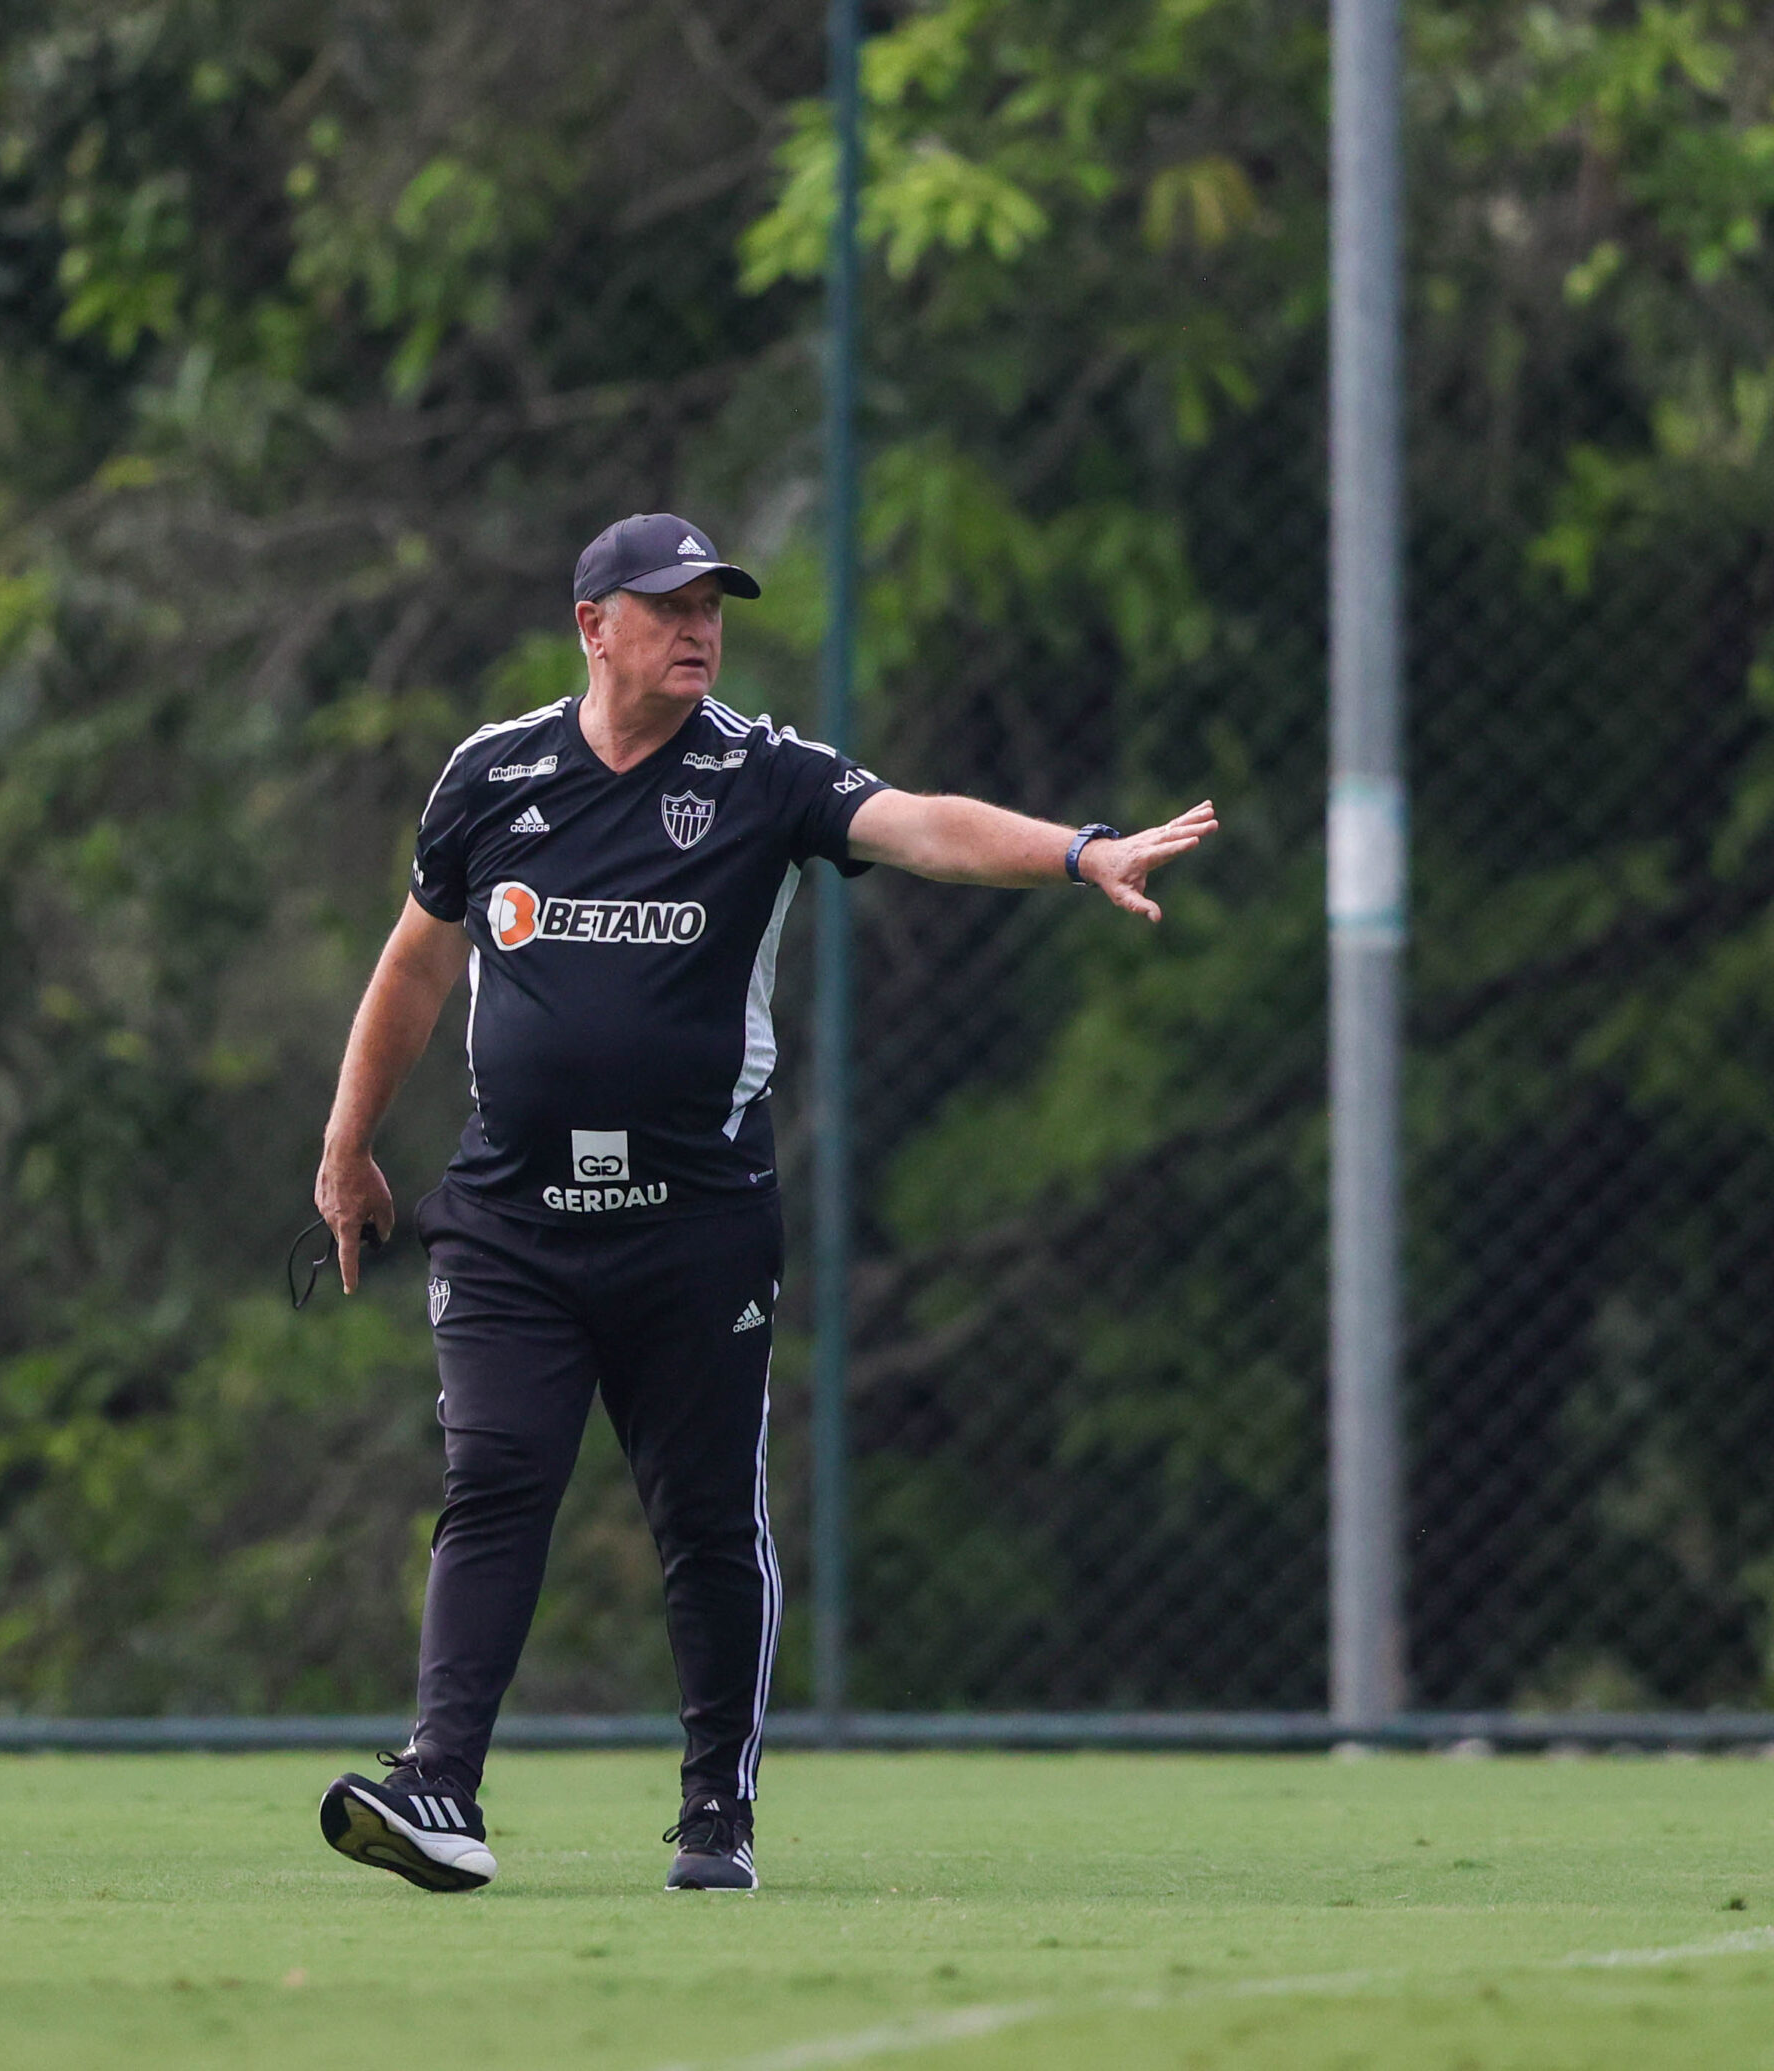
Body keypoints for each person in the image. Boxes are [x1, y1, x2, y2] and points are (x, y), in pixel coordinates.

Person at [312, 512, 1217, 1894]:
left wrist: (1078, 850)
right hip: (511, 1220)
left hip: (693, 1221)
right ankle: (439, 1788)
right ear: (591, 625)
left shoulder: (759, 771)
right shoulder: (491, 774)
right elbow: (416, 973)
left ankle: (715, 1811)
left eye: (712, 605)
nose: (698, 627)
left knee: (705, 1517)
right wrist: (348, 1147)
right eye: (667, 604)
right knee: (494, 1480)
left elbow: (918, 827)